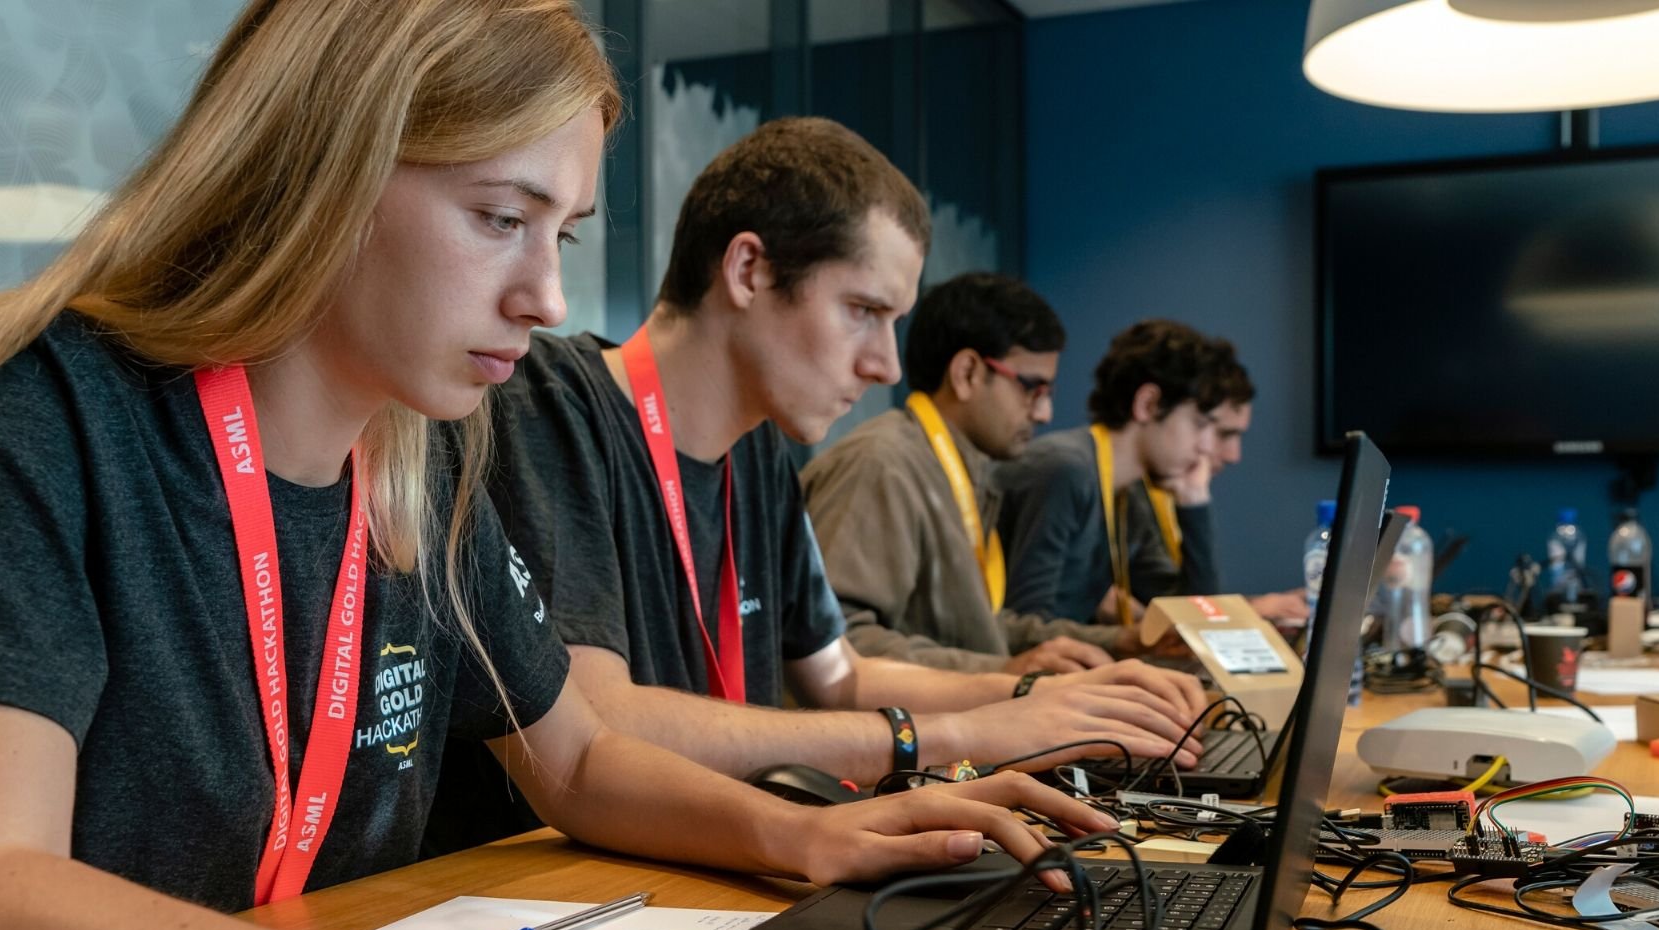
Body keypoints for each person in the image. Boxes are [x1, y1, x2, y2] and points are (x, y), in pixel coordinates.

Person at [0, 4, 1116, 930]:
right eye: (500, 218)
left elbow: (574, 759)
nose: (548, 298)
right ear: (324, 168)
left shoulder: (421, 454)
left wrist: (806, 833)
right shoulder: (49, 413)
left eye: (557, 236)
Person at [432, 120, 1208, 851]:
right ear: (749, 270)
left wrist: (1030, 699)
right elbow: (601, 719)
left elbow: (841, 675)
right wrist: (964, 734)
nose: (888, 366)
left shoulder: (761, 451)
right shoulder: (546, 401)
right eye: (864, 311)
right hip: (563, 892)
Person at [800, 271, 1132, 674]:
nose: (1044, 414)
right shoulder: (883, 465)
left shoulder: (960, 468)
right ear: (968, 373)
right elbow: (837, 644)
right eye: (1032, 389)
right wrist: (1003, 677)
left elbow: (978, 633)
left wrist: (1119, 641)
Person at [995, 319, 1233, 627]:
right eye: (1199, 424)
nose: (1205, 447)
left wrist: (1194, 502)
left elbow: (1195, 616)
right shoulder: (1066, 470)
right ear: (1147, 404)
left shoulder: (1128, 491)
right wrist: (1122, 641)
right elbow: (1027, 627)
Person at [1125, 352, 1310, 624]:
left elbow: (1185, 606)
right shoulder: (1126, 491)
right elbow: (1192, 618)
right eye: (1223, 433)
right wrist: (1246, 611)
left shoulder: (1161, 493)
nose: (1234, 455)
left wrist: (1249, 607)